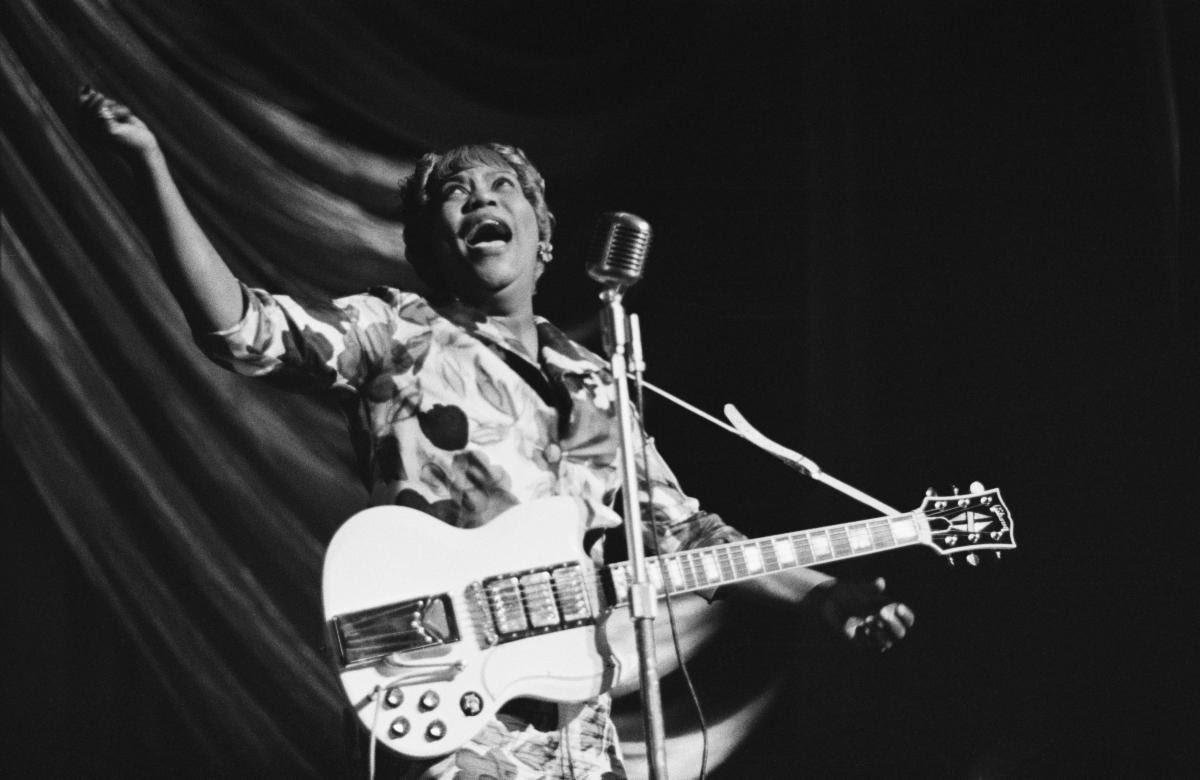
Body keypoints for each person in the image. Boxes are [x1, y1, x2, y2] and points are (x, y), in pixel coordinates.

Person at [79, 85, 915, 779]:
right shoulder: (395, 332)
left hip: (576, 717)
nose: (480, 197)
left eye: (500, 187)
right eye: (455, 191)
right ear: (430, 243)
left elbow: (684, 534)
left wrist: (821, 595)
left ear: (542, 238)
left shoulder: (596, 379)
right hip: (446, 689)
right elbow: (244, 332)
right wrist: (151, 167)